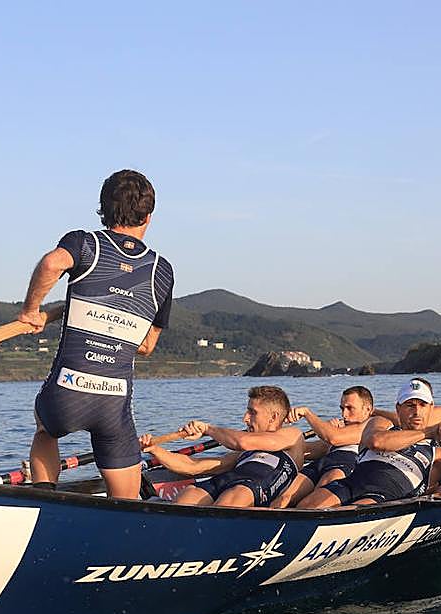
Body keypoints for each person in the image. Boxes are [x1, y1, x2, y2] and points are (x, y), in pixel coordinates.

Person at [18, 170, 174, 498]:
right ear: (149, 215)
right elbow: (147, 345)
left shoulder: (84, 243)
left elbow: (51, 265)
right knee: (127, 500)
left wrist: (32, 310)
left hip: (67, 393)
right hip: (113, 402)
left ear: (103, 210)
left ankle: (45, 500)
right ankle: (126, 521)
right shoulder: (162, 270)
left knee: (45, 430)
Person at [298, 379, 441, 508]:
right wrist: (428, 432)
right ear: (398, 408)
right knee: (307, 506)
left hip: (384, 496)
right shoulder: (380, 423)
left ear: (431, 408)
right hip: (352, 483)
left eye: (423, 405)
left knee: (350, 512)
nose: (417, 411)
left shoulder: (437, 452)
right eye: (410, 405)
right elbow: (376, 441)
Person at [142, 386, 305, 507]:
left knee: (233, 498)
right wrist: (154, 449)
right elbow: (192, 466)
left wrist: (207, 429)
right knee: (188, 496)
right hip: (224, 481)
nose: (245, 418)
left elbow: (243, 442)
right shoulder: (243, 454)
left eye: (252, 412)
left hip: (247, 489)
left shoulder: (293, 436)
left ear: (273, 417)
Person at [272, 386, 374, 508]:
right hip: (322, 462)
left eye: (350, 408)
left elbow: (334, 438)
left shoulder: (372, 426)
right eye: (342, 408)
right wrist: (277, 438)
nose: (344, 414)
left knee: (315, 502)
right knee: (284, 497)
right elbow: (306, 449)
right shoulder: (338, 430)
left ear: (367, 410)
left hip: (343, 465)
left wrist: (307, 413)